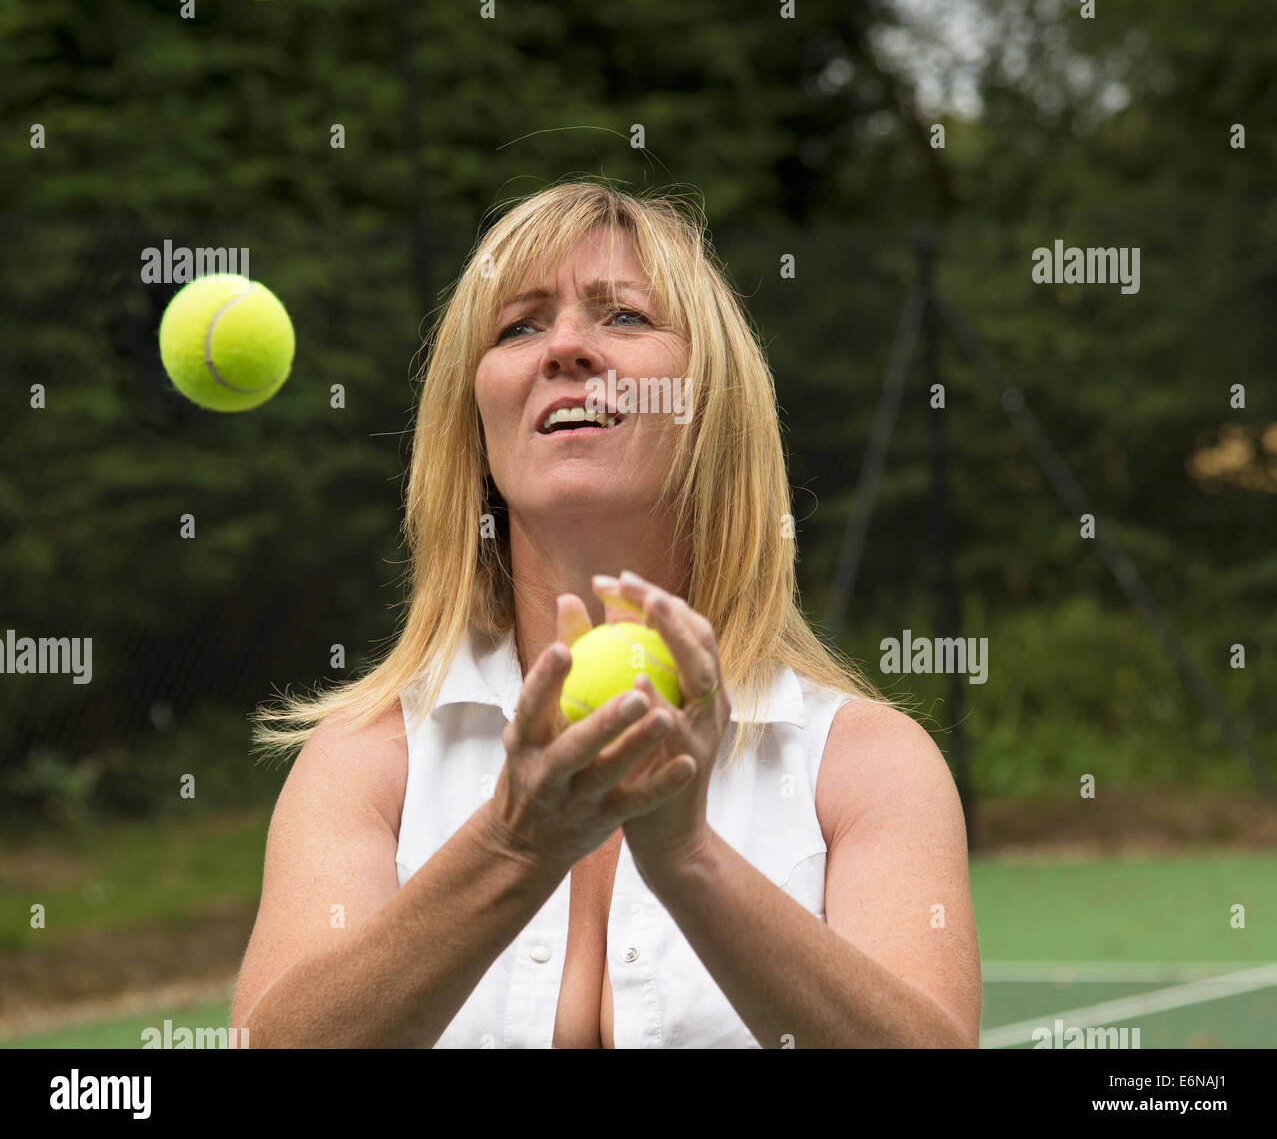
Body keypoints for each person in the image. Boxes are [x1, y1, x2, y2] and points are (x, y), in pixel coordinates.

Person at [230, 180, 981, 1048]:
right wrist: (513, 847)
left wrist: (688, 860)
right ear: (473, 427)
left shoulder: (864, 767)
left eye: (622, 316)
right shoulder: (365, 762)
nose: (565, 349)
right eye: (518, 325)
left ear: (713, 407)